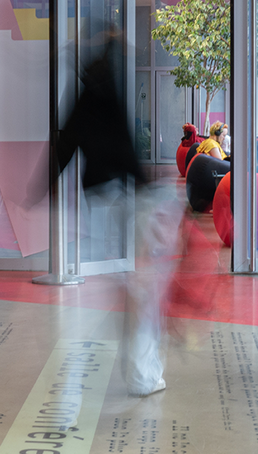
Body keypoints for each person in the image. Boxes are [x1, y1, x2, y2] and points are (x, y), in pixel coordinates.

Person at [56, 32, 182, 397]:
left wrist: (37, 191)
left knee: (133, 286)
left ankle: (137, 371)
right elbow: (120, 149)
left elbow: (65, 147)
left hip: (102, 198)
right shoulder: (108, 94)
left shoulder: (85, 100)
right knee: (142, 290)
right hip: (126, 196)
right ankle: (143, 375)